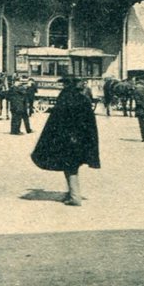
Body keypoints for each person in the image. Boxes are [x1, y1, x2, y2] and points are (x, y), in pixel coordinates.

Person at [31, 75, 100, 207]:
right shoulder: (82, 98)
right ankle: (72, 193)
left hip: (68, 139)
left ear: (68, 85)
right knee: (72, 165)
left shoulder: (66, 98)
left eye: (64, 84)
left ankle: (75, 196)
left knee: (70, 166)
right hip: (82, 138)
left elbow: (60, 120)